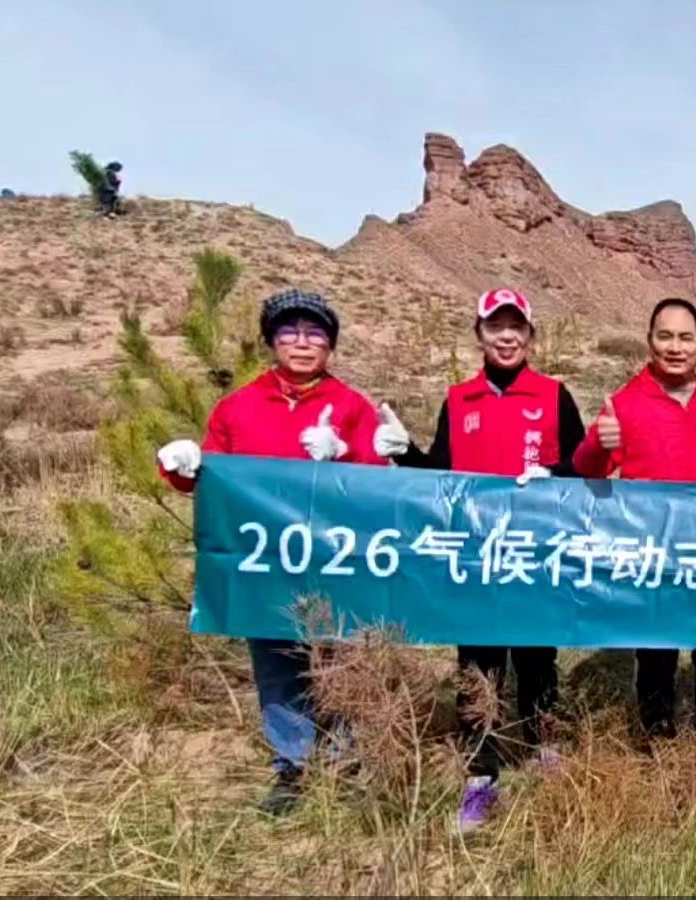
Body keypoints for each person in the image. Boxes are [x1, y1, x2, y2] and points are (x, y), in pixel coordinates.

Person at [154, 289, 384, 815]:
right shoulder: (238, 407)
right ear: (271, 341)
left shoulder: (349, 405)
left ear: (330, 346)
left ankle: (346, 758)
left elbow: (380, 483)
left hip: (332, 557)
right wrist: (181, 465)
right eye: (290, 332)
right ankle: (292, 764)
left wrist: (345, 455)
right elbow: (210, 480)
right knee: (276, 662)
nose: (303, 344)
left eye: (316, 334)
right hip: (265, 563)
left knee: (337, 657)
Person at [371, 287, 586, 833]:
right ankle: (481, 776)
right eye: (496, 327)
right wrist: (406, 455)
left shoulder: (554, 396)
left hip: (535, 558)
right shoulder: (459, 400)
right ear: (480, 335)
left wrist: (555, 476)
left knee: (537, 662)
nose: (507, 336)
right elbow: (440, 476)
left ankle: (543, 754)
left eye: (517, 327)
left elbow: (585, 472)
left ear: (531, 335)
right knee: (478, 670)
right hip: (475, 562)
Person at [572, 297, 696, 741]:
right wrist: (599, 444)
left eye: (685, 337)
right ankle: (658, 742)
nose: (675, 346)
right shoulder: (625, 404)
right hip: (652, 555)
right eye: (665, 336)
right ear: (649, 342)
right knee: (656, 653)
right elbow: (584, 473)